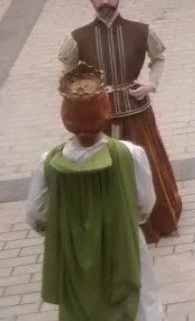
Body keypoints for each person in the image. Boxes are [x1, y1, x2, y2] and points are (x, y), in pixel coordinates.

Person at [25, 62, 163, 320]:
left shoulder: (49, 162)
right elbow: (145, 204)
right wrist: (123, 220)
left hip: (74, 253)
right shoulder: (130, 155)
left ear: (65, 117)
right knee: (140, 306)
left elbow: (36, 213)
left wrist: (66, 229)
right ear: (105, 111)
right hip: (124, 245)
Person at [57, 0, 181, 243]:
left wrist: (151, 85)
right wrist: (76, 97)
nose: (105, 1)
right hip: (97, 117)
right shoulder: (77, 38)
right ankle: (109, 227)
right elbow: (66, 74)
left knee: (144, 164)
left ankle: (153, 218)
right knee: (102, 169)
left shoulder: (141, 31)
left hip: (137, 112)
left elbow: (158, 58)